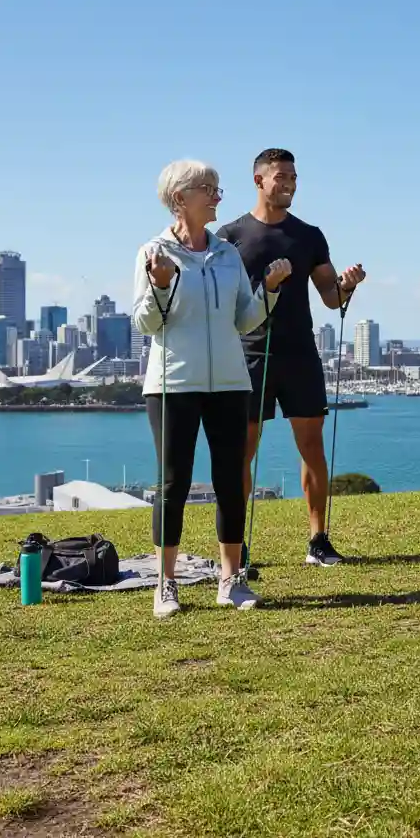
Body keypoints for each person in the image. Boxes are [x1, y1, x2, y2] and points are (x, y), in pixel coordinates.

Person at [133, 158, 292, 619]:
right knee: (172, 483)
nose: (219, 196)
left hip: (229, 381)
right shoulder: (153, 252)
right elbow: (146, 322)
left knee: (229, 482)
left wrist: (271, 289)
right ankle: (166, 585)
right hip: (172, 384)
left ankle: (231, 580)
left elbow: (244, 319)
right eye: (210, 188)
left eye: (218, 187)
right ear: (180, 198)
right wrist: (160, 286)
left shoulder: (226, 254)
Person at [217, 148, 366, 567]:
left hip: (300, 353)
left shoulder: (309, 235)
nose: (289, 184)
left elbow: (331, 297)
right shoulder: (229, 237)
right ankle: (236, 547)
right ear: (259, 180)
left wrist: (348, 285)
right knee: (242, 451)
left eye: (294, 178)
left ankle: (318, 541)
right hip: (248, 353)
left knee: (312, 448)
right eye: (281, 177)